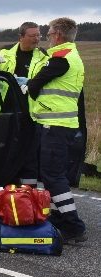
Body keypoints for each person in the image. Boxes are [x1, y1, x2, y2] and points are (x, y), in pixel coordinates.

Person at [25, 17, 87, 244]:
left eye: (49, 33)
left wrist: (27, 85)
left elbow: (35, 84)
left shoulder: (61, 59)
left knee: (53, 176)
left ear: (58, 35)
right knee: (53, 175)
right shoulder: (71, 55)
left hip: (56, 126)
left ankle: (74, 226)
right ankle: (59, 218)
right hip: (60, 125)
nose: (47, 36)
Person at [0, 22, 46, 186]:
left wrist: (31, 83)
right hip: (6, 110)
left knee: (29, 153)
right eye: (32, 36)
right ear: (21, 37)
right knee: (6, 150)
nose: (36, 39)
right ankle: (4, 187)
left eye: (38, 35)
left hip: (30, 112)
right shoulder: (5, 51)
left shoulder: (43, 55)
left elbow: (46, 79)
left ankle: (28, 190)